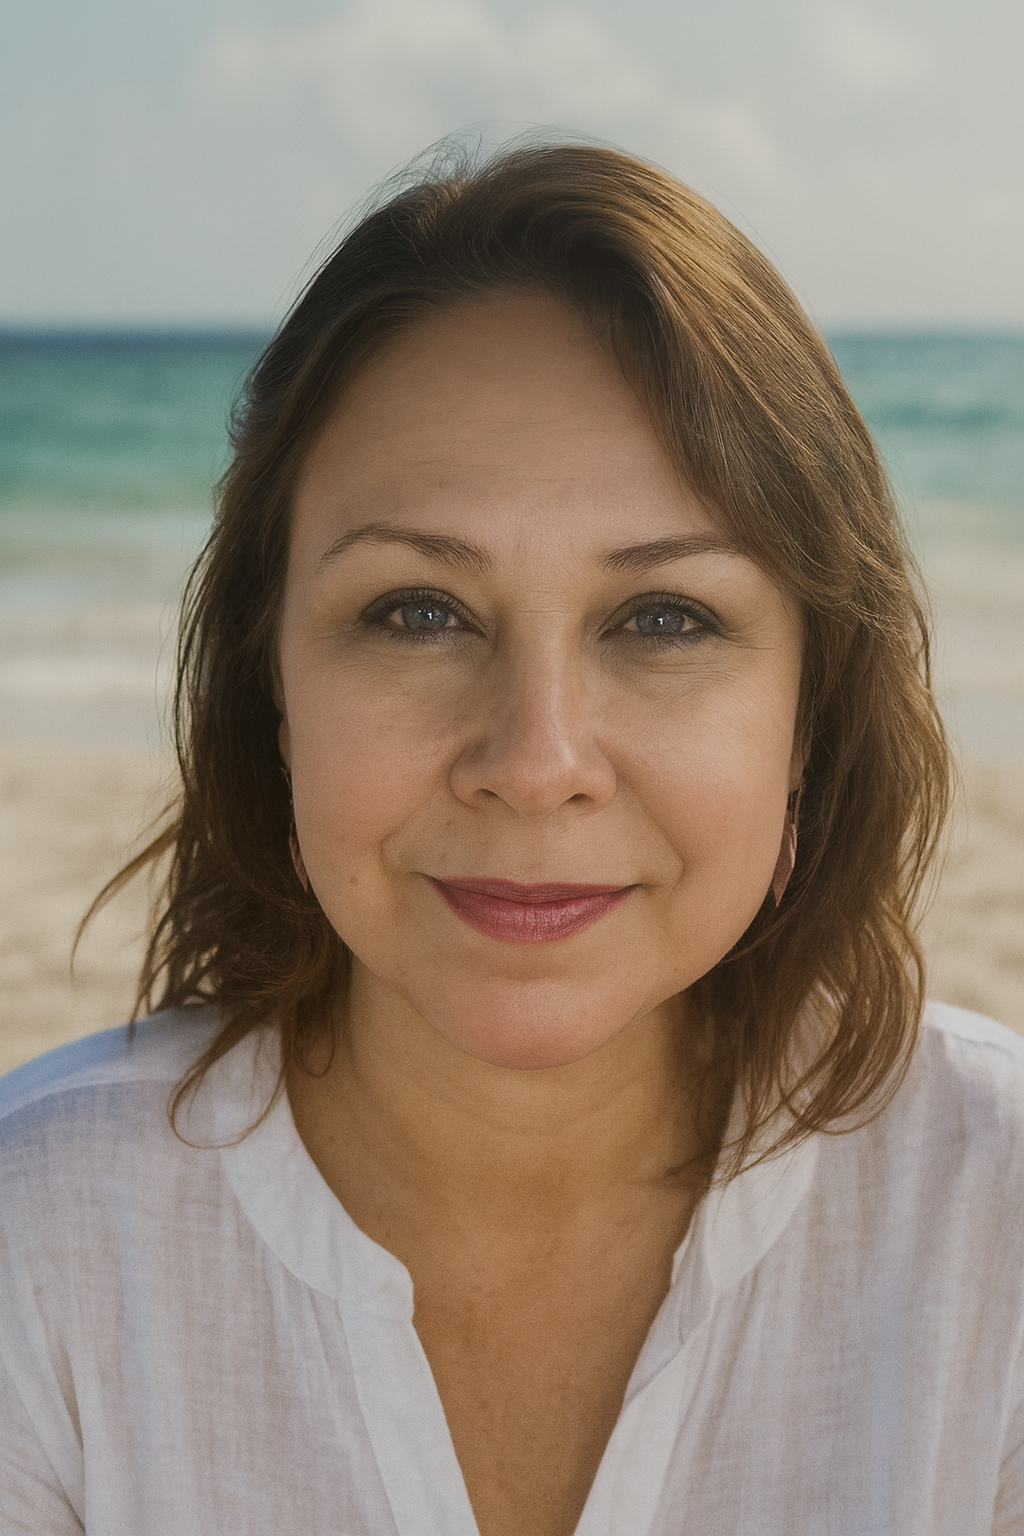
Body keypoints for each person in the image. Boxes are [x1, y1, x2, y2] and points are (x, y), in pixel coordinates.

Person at [1, 142, 1022, 1536]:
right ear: (272, 696)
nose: (535, 765)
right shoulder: (37, 1252)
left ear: (811, 718)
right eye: (418, 611)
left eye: (663, 619)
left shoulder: (998, 1221)